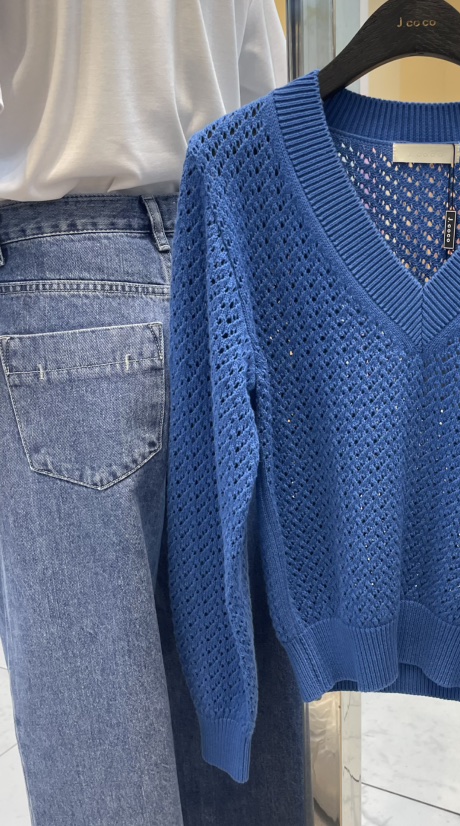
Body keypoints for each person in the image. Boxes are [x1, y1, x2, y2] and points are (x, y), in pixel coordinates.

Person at [0, 3, 305, 824]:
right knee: (238, 700)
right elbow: (264, 102)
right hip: (226, 265)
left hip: (56, 275)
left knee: (96, 739)